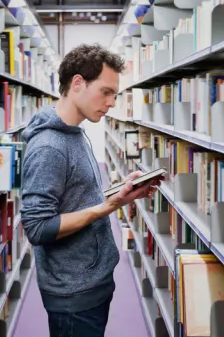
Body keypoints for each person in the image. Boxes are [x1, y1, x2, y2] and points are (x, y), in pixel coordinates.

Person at [19, 44, 162, 337]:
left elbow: (76, 199)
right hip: (73, 294)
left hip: (91, 279)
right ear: (78, 83)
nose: (111, 103)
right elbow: (37, 227)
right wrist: (108, 207)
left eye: (115, 94)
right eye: (106, 92)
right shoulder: (49, 147)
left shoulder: (75, 132)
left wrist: (122, 193)